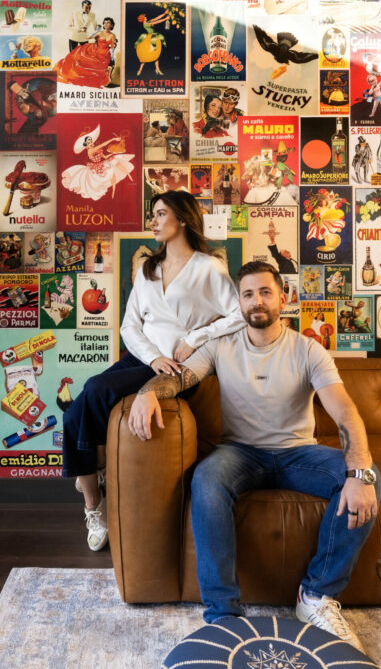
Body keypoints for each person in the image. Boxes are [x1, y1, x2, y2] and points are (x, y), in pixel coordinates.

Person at [127, 261, 380, 648]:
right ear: (239, 303)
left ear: (283, 298)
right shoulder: (220, 346)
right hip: (240, 454)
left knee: (367, 477)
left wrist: (359, 473)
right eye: (247, 294)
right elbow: (178, 378)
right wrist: (147, 392)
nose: (256, 300)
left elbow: (345, 412)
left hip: (299, 453)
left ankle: (315, 596)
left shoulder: (308, 350)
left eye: (265, 292)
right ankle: (223, 615)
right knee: (206, 481)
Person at [63, 191, 245, 551]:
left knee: (95, 388)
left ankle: (95, 466)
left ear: (183, 219)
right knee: (72, 415)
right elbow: (129, 325)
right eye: (153, 214)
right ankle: (93, 506)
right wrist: (151, 358)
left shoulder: (209, 268)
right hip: (144, 359)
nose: (153, 221)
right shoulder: (147, 268)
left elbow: (238, 314)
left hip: (178, 369)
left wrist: (195, 337)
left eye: (161, 214)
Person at [60, 124, 134, 201]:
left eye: (91, 142)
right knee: (111, 170)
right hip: (96, 168)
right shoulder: (90, 150)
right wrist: (113, 139)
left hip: (101, 164)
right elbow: (102, 144)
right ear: (86, 146)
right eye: (89, 143)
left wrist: (113, 153)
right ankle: (114, 191)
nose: (91, 143)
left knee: (115, 161)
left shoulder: (95, 149)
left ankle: (128, 177)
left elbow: (105, 157)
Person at [55, 17, 117, 88]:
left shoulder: (112, 35)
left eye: (108, 23)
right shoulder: (100, 32)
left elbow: (112, 46)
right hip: (94, 49)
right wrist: (96, 31)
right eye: (104, 22)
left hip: (105, 52)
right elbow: (88, 37)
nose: (105, 24)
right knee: (83, 57)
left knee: (100, 64)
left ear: (111, 25)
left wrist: (112, 56)